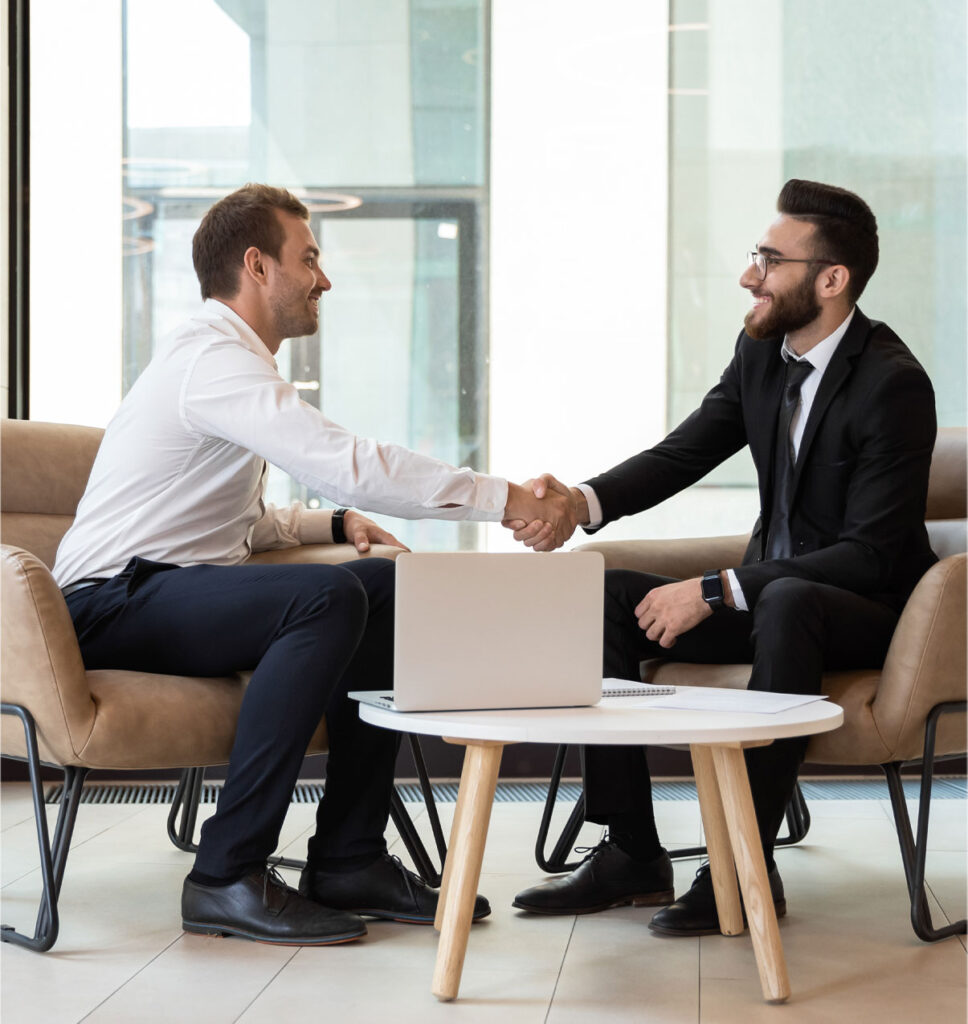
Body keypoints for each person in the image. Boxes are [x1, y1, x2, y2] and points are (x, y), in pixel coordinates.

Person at [53, 183, 568, 947]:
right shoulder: (213, 359)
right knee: (324, 597)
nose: (324, 279)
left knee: (386, 585)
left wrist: (330, 523)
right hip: (109, 602)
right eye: (311, 258)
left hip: (170, 587)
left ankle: (348, 858)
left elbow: (228, 520)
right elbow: (350, 463)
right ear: (257, 266)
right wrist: (506, 499)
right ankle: (225, 874)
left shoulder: (226, 364)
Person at [507, 179, 937, 933]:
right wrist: (579, 504)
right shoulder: (762, 353)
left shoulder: (892, 385)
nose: (749, 276)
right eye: (755, 256)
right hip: (770, 600)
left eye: (770, 260)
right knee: (598, 594)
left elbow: (869, 555)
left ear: (831, 280)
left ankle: (742, 862)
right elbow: (686, 451)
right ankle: (631, 851)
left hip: (866, 612)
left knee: (788, 599)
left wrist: (715, 588)